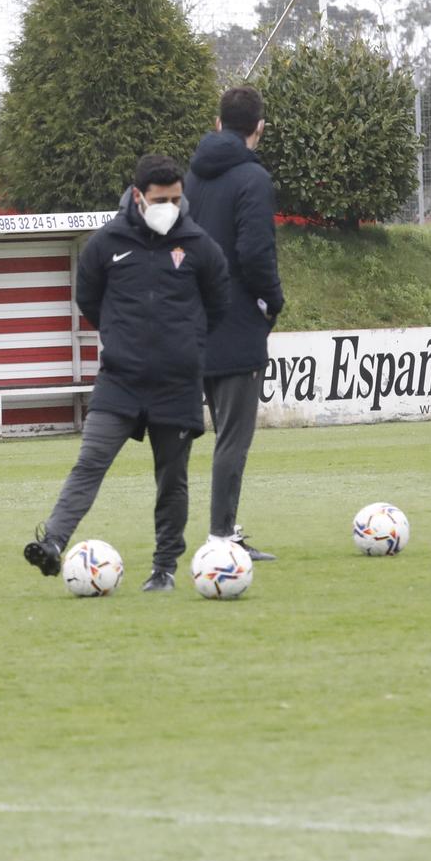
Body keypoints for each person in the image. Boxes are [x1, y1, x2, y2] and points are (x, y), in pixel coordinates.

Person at [23, 153, 230, 592]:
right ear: (138, 196)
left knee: (171, 481)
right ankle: (54, 543)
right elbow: (89, 299)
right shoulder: (106, 244)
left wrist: (183, 345)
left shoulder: (199, 247)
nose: (169, 206)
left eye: (176, 198)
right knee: (89, 462)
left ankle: (164, 569)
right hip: (120, 380)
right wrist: (122, 338)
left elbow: (217, 305)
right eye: (160, 198)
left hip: (177, 385)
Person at [184, 84, 285, 562]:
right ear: (259, 128)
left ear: (219, 122)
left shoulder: (193, 176)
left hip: (196, 319)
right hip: (238, 321)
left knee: (220, 430)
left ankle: (222, 529)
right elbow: (254, 252)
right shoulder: (253, 179)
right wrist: (272, 302)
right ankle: (221, 537)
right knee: (233, 437)